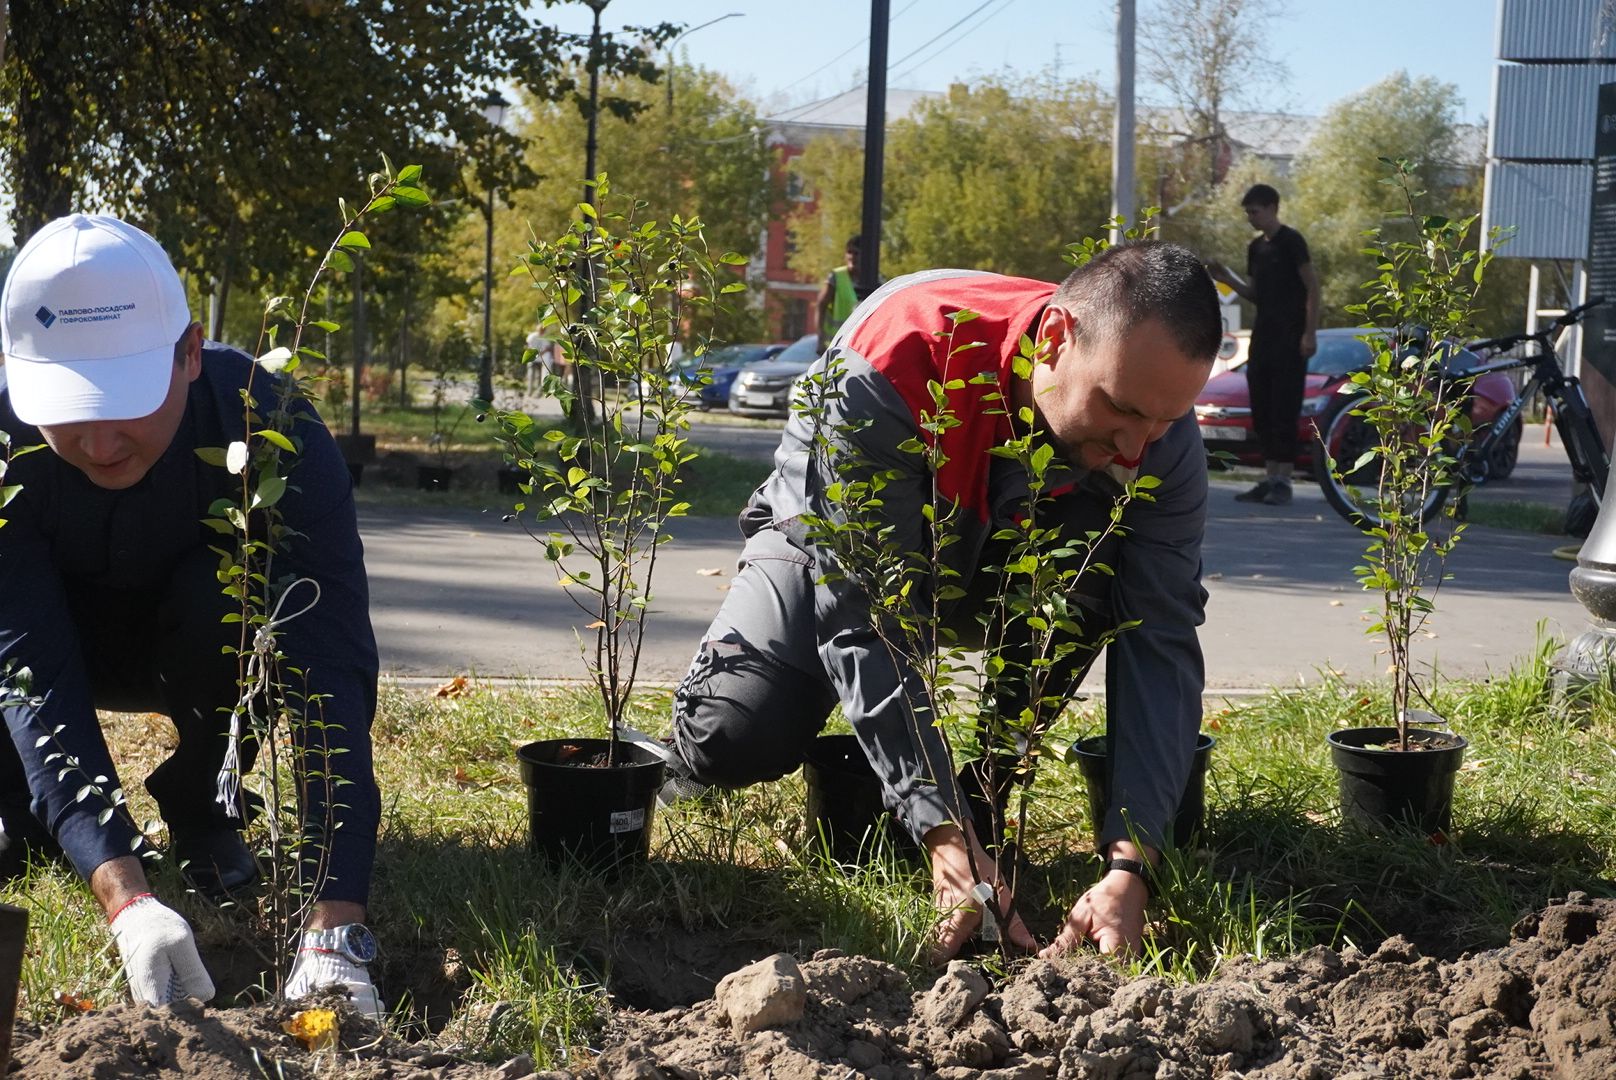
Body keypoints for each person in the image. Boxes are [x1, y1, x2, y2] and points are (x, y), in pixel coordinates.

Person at [667, 242, 1221, 960]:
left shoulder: (1156, 437)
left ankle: (979, 791)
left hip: (1002, 548)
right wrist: (943, 836)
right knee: (736, 734)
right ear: (1054, 341)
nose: (1137, 446)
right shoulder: (894, 361)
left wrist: (1131, 865)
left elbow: (1161, 639)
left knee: (1103, 566)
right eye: (1120, 409)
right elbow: (864, 614)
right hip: (834, 543)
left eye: (1164, 422)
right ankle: (694, 757)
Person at [0, 214, 383, 1015]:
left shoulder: (268, 422)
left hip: (200, 636)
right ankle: (34, 813)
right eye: (68, 408)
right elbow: (28, 663)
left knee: (239, 596)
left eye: (124, 403)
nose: (99, 442)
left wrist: (334, 921)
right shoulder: (8, 446)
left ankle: (204, 808)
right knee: (32, 819)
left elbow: (329, 661)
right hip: (57, 634)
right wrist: (127, 897)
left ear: (189, 351)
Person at [1206, 183, 1320, 506]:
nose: (1251, 218)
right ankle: (1269, 479)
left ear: (1272, 208)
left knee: (1285, 406)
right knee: (1262, 408)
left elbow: (1313, 288)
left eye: (1255, 211)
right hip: (1264, 337)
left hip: (1290, 338)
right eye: (1248, 212)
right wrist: (1226, 277)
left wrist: (1309, 333)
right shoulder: (1256, 248)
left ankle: (1284, 481)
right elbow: (1255, 294)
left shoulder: (1292, 242)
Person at [816, 235, 862, 351]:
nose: (852, 257)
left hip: (860, 347)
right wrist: (820, 337)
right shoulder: (837, 277)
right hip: (835, 345)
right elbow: (821, 305)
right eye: (849, 252)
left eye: (856, 253)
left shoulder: (876, 281)